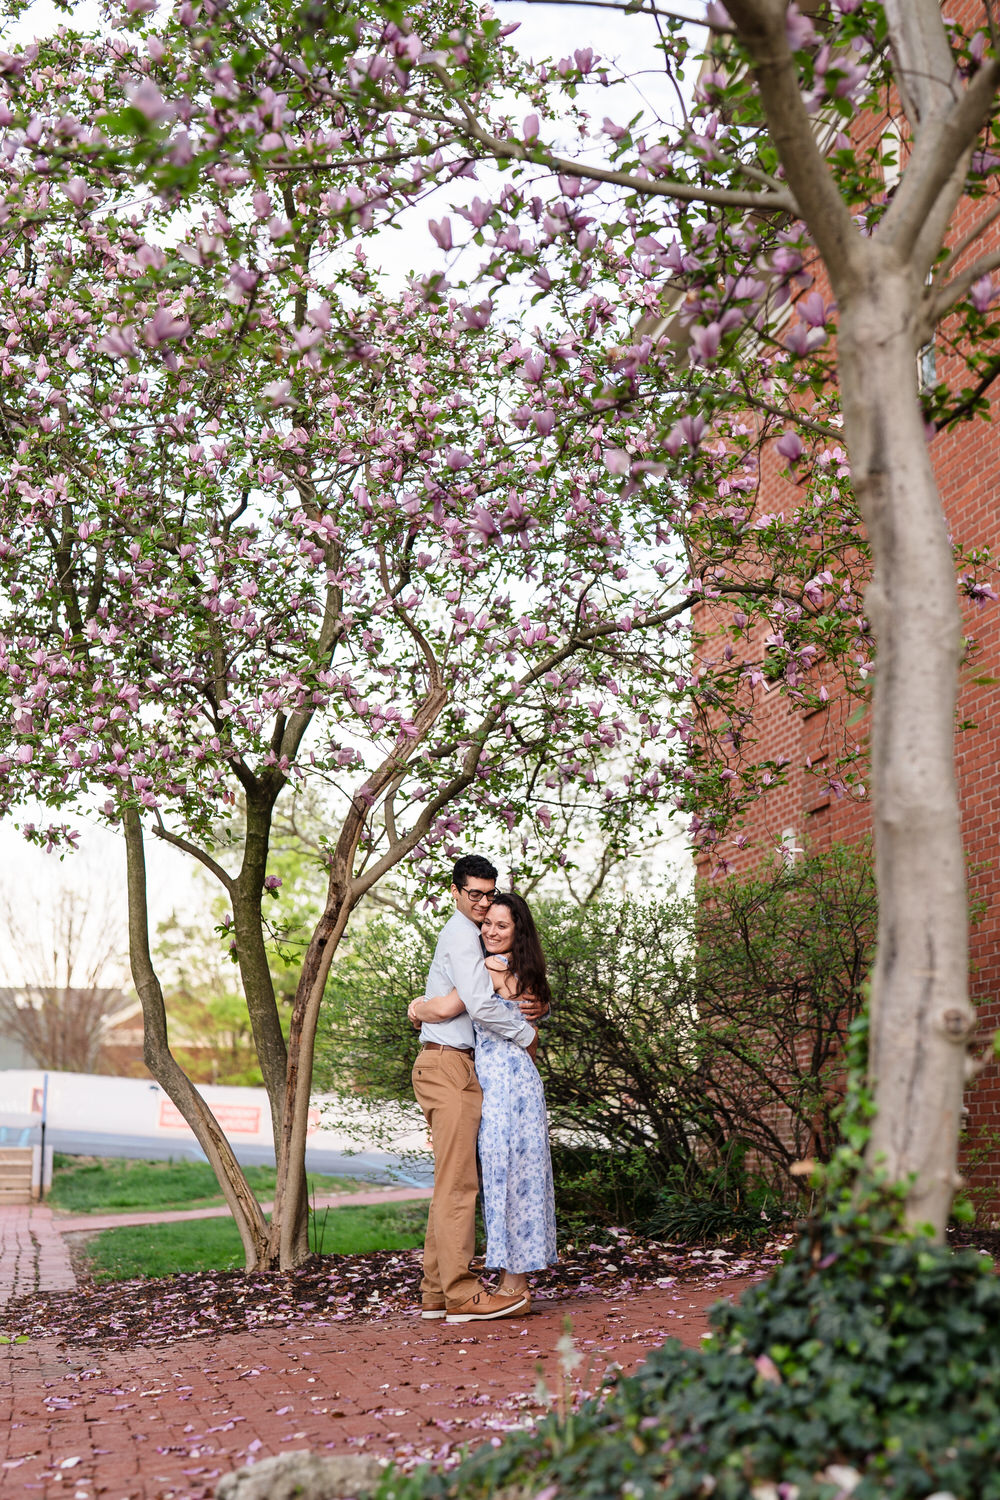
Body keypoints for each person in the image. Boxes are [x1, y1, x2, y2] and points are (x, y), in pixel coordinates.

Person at [408, 855, 541, 1325]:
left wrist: (423, 1006)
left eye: (490, 893)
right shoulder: (462, 935)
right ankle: (463, 1294)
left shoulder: (478, 941)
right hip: (448, 1066)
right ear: (455, 891)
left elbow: (454, 1003)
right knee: (461, 1186)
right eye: (475, 895)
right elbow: (481, 1005)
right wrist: (527, 1035)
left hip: (454, 1064)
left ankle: (434, 1291)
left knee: (451, 1183)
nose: (484, 904)